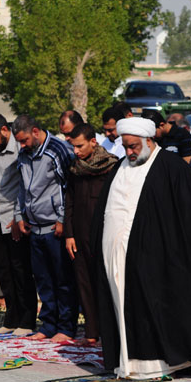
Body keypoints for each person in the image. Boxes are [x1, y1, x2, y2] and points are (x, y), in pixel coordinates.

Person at [90, 117, 191, 379]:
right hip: (119, 260)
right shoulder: (119, 170)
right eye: (125, 146)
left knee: (156, 307)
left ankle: (166, 362)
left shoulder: (173, 168)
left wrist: (179, 254)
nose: (129, 152)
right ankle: (127, 360)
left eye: (134, 146)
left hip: (161, 263)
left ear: (149, 141)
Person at [13, 114, 78, 342]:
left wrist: (62, 219)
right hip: (34, 227)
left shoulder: (57, 150)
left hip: (54, 227)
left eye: (24, 140)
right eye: (19, 142)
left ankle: (66, 327)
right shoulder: (24, 154)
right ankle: (49, 325)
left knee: (62, 279)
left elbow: (67, 186)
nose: (22, 146)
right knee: (43, 280)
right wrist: (19, 214)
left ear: (36, 131)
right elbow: (21, 187)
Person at [0, 112, 38, 336]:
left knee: (21, 270)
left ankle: (27, 320)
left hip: (15, 221)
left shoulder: (19, 152)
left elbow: (25, 187)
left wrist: (18, 216)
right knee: (4, 271)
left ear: (4, 130)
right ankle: (11, 319)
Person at [64, 124, 117, 344]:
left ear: (93, 142)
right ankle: (92, 333)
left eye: (80, 146)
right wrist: (69, 234)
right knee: (84, 283)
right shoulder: (75, 168)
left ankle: (110, 331)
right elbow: (70, 203)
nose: (75, 151)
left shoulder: (111, 166)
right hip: (79, 235)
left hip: (103, 235)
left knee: (104, 282)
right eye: (73, 146)